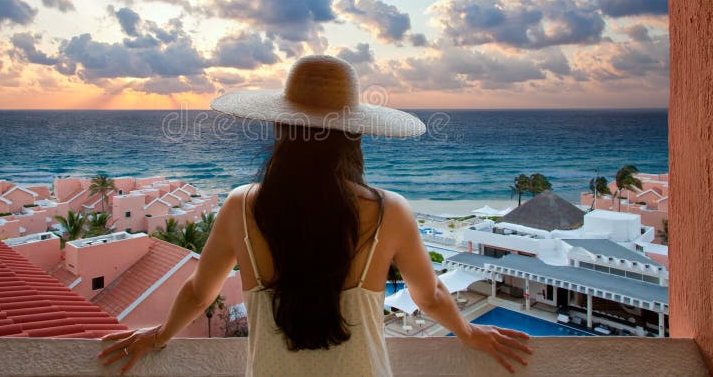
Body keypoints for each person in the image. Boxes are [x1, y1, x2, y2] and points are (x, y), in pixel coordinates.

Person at [98, 55, 532, 375]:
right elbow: (429, 296)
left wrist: (157, 336)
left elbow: (199, 292)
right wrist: (469, 332)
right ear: (354, 135)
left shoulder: (240, 206)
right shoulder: (390, 211)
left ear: (281, 127)